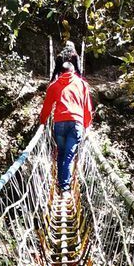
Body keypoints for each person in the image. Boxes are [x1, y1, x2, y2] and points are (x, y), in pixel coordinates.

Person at [39, 61, 93, 193]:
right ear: (74, 71)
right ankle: (65, 187)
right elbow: (87, 107)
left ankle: (60, 182)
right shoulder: (82, 84)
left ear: (60, 72)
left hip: (60, 123)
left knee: (61, 153)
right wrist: (87, 124)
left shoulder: (54, 85)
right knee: (69, 155)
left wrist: (43, 121)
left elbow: (47, 107)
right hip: (76, 123)